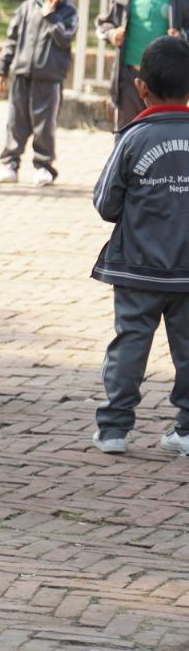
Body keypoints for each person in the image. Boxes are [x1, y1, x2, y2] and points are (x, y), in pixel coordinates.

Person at [91, 36, 189, 456]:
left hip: (137, 269)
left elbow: (105, 203)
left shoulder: (132, 138)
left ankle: (114, 429)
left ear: (141, 87)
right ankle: (186, 430)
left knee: (130, 343)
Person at [0, 0, 78, 187]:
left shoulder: (68, 12)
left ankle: (43, 166)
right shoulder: (26, 9)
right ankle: (9, 164)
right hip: (21, 76)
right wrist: (1, 70)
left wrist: (51, 16)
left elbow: (65, 38)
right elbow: (11, 41)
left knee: (45, 127)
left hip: (49, 80)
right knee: (15, 123)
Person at [97, 0, 189, 132]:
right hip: (130, 75)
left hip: (164, 77)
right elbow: (104, 24)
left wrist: (181, 37)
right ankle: (127, 153)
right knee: (128, 127)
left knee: (163, 128)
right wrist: (113, 34)